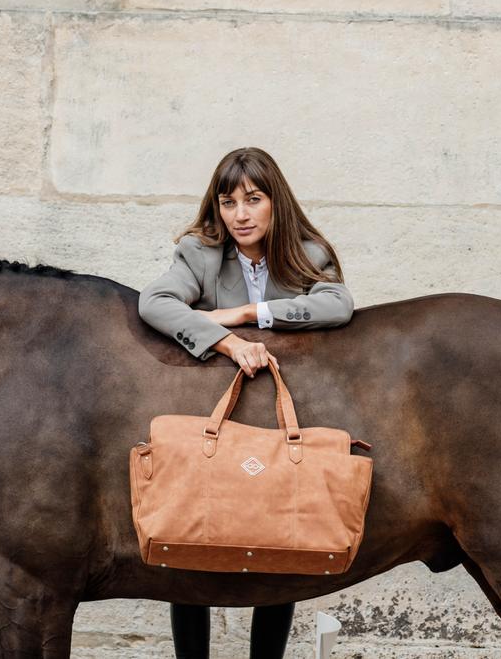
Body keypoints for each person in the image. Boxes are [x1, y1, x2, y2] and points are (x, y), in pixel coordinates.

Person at [137, 146, 354, 659]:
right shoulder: (200, 252)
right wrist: (227, 343)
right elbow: (154, 302)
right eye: (228, 201)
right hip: (215, 414)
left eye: (253, 200)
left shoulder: (306, 252)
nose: (240, 215)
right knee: (192, 540)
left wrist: (243, 314)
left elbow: (337, 303)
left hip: (277, 421)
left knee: (278, 541)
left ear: (274, 202)